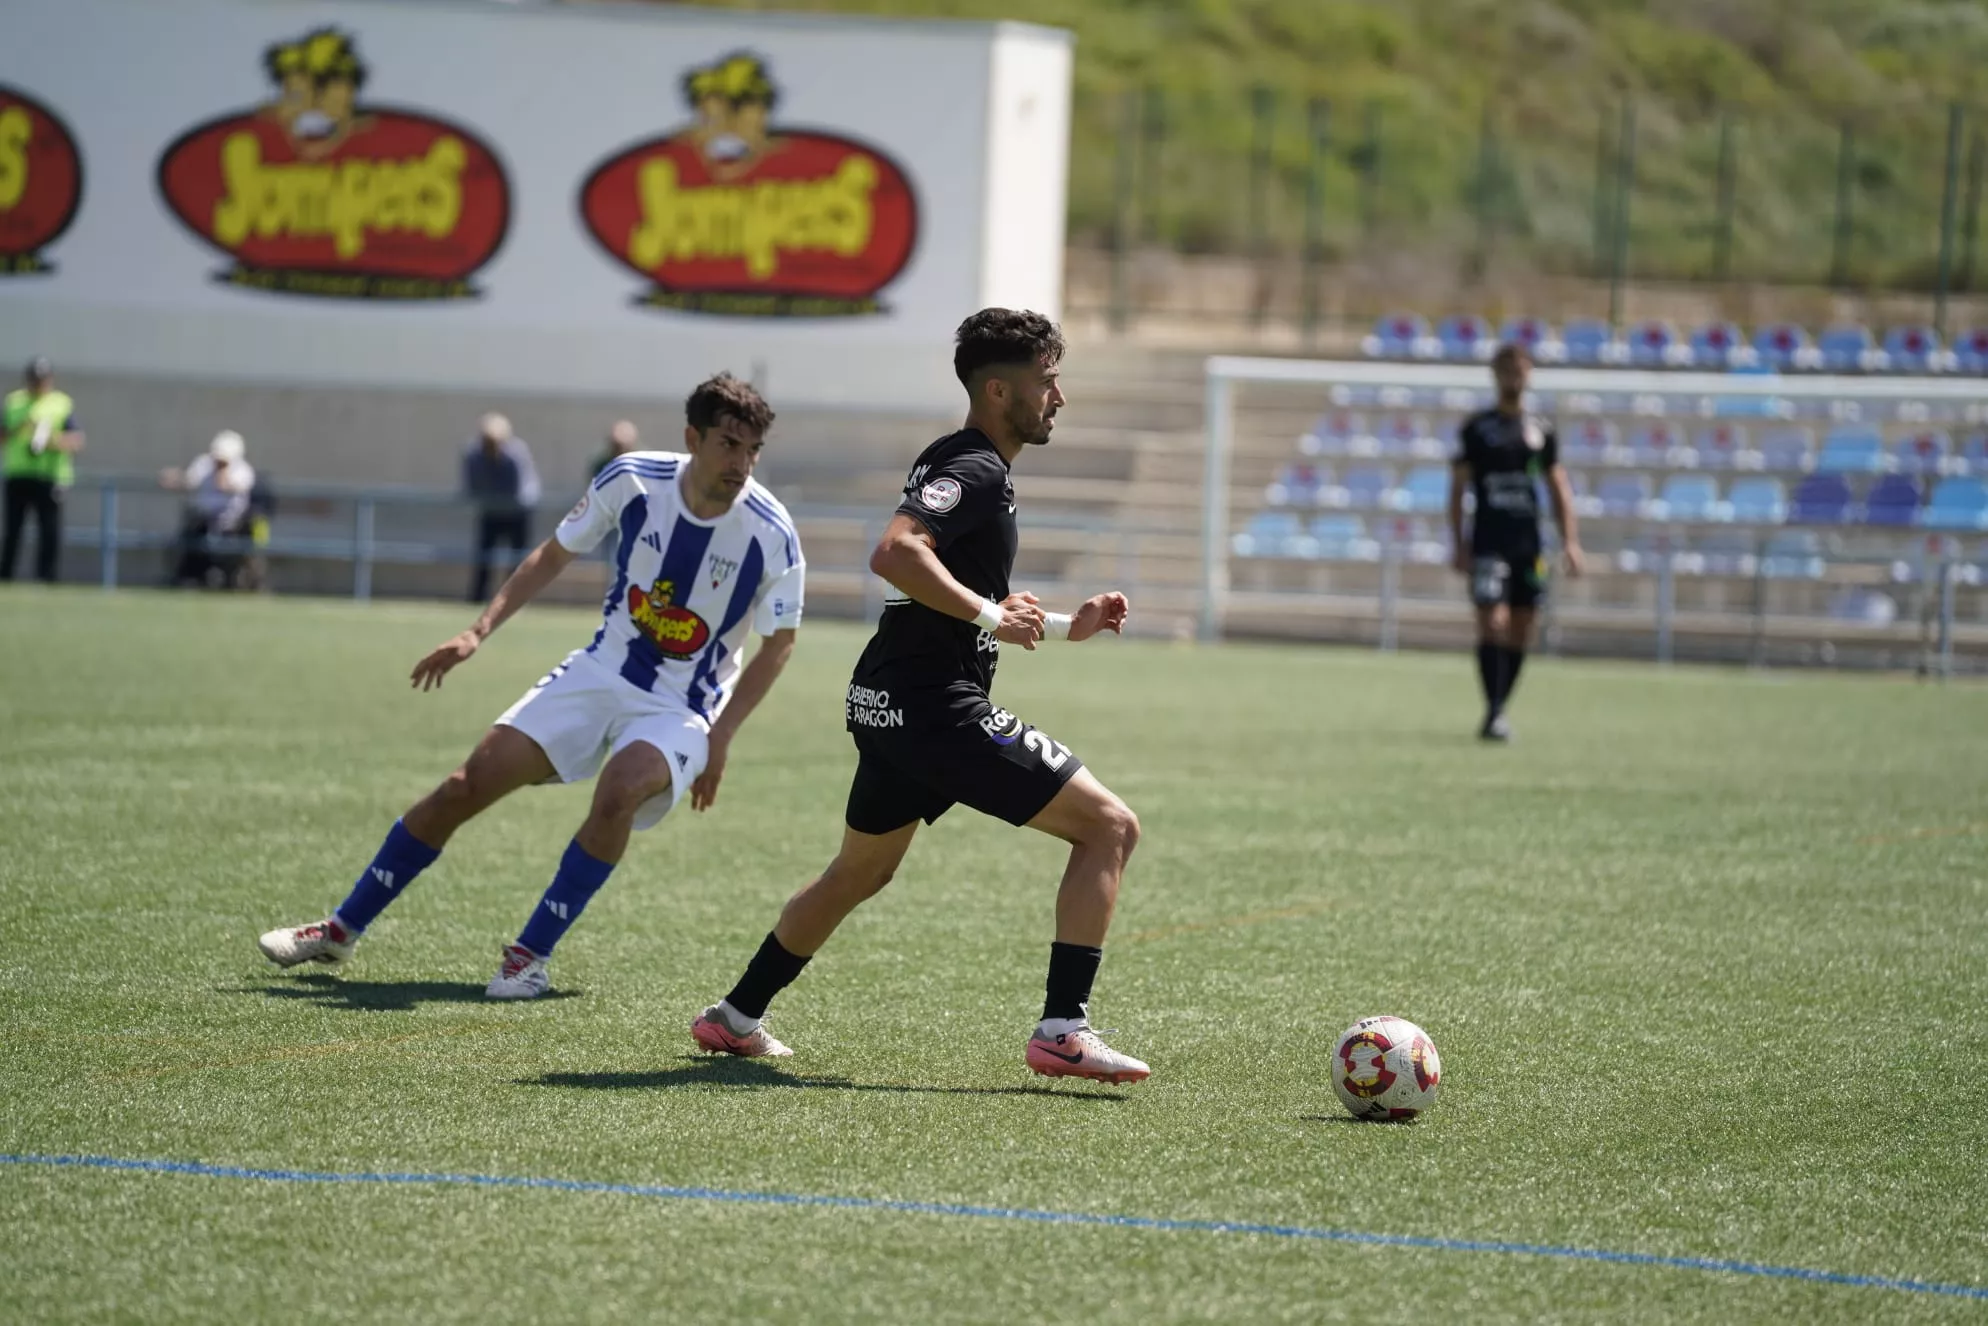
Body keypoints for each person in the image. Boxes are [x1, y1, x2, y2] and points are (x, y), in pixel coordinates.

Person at [689, 309, 1150, 1085]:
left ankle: (735, 1017)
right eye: (1047, 382)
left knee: (858, 872)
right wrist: (991, 615)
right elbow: (895, 554)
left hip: (893, 700)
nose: (1058, 398)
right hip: (934, 706)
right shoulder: (975, 469)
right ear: (999, 389)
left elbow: (954, 598)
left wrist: (1068, 624)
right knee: (1110, 828)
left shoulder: (966, 465)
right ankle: (1064, 1030)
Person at [259, 375, 805, 998]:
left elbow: (779, 643)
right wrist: (477, 632)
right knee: (464, 786)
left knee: (619, 791)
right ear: (692, 438)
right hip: (600, 672)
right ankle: (340, 927)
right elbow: (553, 553)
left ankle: (528, 959)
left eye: (753, 450)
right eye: (729, 444)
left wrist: (723, 736)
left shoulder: (772, 532)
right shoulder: (632, 479)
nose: (742, 463)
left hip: (682, 707)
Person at [1448, 343, 1584, 742]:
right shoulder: (1477, 429)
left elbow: (1558, 486)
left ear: (1529, 374)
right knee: (1492, 621)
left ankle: (1499, 708)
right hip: (1489, 541)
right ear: (1495, 374)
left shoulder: (1540, 431)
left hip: (1529, 544)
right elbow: (1457, 489)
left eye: (1520, 369)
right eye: (1507, 369)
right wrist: (1459, 542)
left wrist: (1570, 541)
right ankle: (1493, 710)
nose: (1514, 376)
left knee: (1523, 626)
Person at [2, 357, 85, 584]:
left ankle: (46, 578)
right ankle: (6, 576)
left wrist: (51, 441)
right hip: (18, 475)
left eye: (42, 379)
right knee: (12, 531)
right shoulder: (14, 402)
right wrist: (20, 427)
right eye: (34, 379)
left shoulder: (61, 404)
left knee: (49, 532)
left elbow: (77, 440)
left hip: (50, 476)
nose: (38, 384)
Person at [159, 430, 257, 588]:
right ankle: (188, 579)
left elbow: (226, 486)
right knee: (188, 543)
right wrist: (173, 479)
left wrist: (222, 470)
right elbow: (189, 482)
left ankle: (230, 583)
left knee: (234, 553)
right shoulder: (203, 463)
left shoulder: (243, 470)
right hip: (203, 520)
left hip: (233, 525)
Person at [462, 412, 540, 603]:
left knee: (517, 561)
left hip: (517, 513)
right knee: (483, 558)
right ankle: (477, 600)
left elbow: (520, 488)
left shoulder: (516, 454)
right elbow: (472, 485)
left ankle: (513, 601)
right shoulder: (473, 455)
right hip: (490, 512)